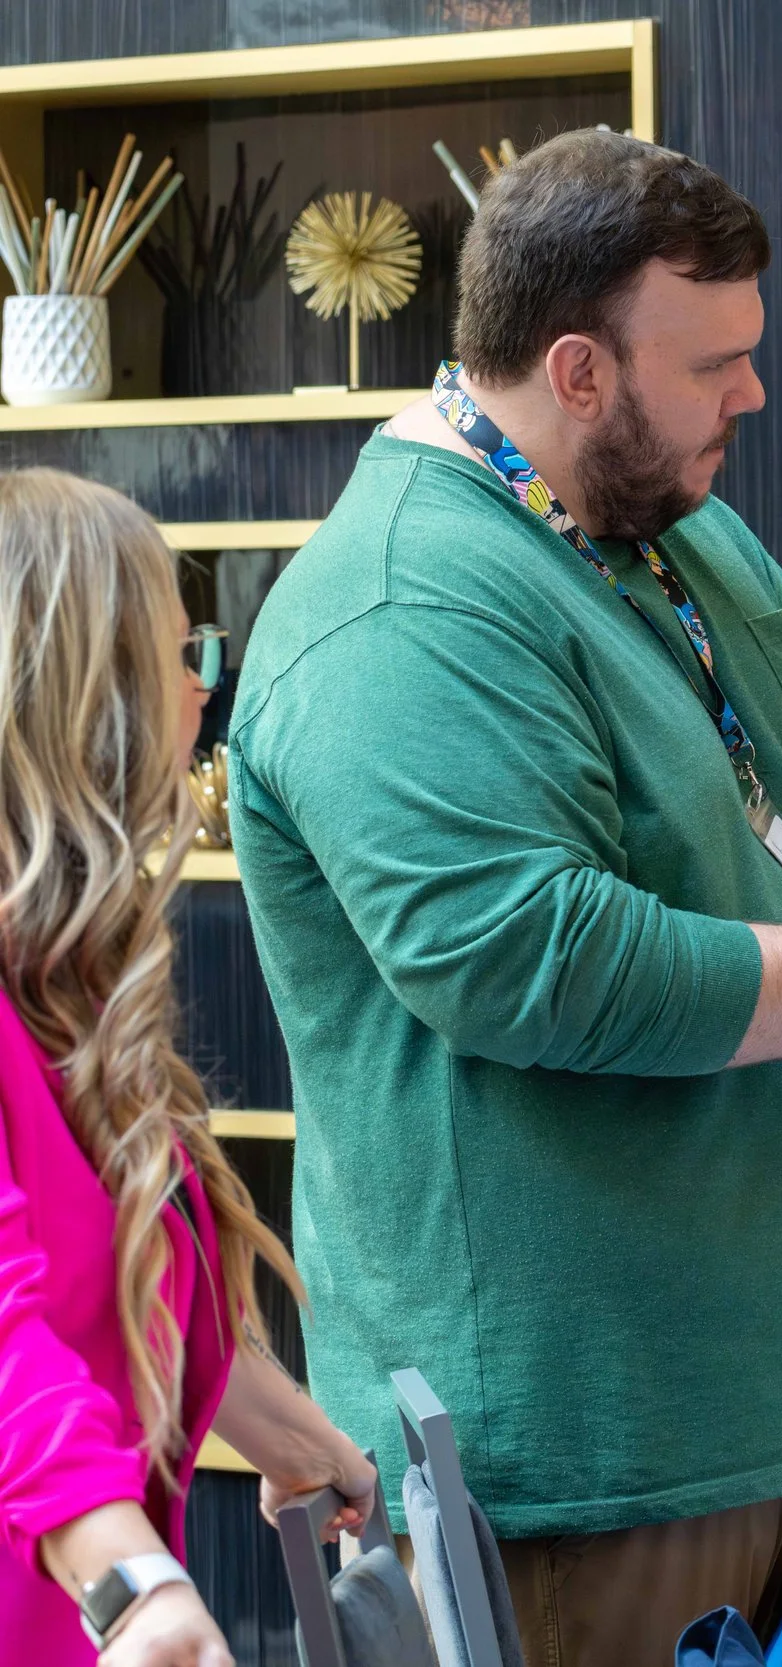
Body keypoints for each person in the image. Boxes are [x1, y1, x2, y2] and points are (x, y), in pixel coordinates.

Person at [227, 131, 782, 1663]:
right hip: (586, 1468)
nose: (751, 396)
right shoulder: (403, 601)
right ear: (577, 370)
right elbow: (528, 958)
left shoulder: (663, 523)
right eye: (715, 366)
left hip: (747, 1416)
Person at [0, 468, 375, 1667]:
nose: (201, 692)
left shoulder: (68, 980)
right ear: (83, 699)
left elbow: (145, 1277)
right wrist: (137, 1586)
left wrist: (298, 1438)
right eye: (182, 653)